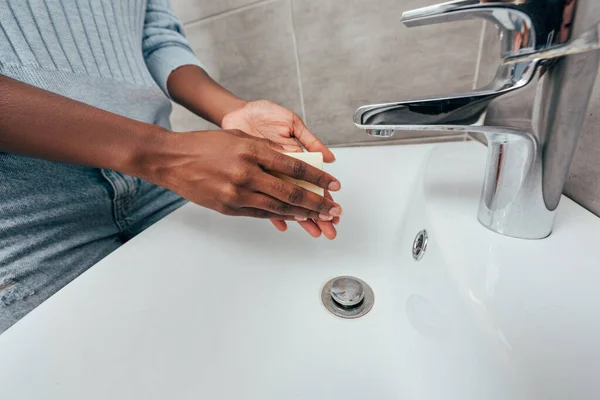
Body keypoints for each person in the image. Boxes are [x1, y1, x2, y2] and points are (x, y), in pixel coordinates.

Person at [0, 0, 342, 333]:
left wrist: (232, 110)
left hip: (156, 186)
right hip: (29, 224)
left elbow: (157, 38)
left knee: (232, 330)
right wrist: (166, 155)